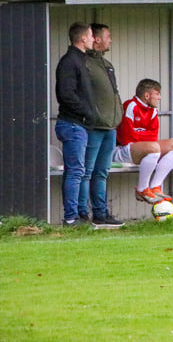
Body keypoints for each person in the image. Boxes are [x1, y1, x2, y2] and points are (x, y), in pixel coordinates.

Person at [81, 23, 125, 227]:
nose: (110, 39)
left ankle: (101, 212)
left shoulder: (106, 64)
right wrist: (93, 116)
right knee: (86, 171)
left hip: (110, 127)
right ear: (96, 39)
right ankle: (81, 215)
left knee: (101, 172)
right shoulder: (85, 64)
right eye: (108, 36)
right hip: (94, 127)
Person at [55, 22, 97, 227]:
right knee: (75, 171)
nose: (93, 39)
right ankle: (71, 218)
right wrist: (87, 111)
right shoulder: (70, 62)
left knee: (78, 171)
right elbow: (66, 94)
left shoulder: (80, 60)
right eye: (90, 36)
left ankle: (79, 214)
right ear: (82, 38)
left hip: (80, 125)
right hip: (72, 125)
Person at [115, 79, 173, 204]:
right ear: (147, 96)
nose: (160, 98)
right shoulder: (130, 106)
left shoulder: (152, 110)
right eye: (157, 94)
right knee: (153, 148)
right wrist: (144, 138)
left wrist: (140, 136)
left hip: (138, 149)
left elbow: (153, 136)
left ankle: (155, 187)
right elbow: (126, 137)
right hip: (120, 150)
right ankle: (142, 189)